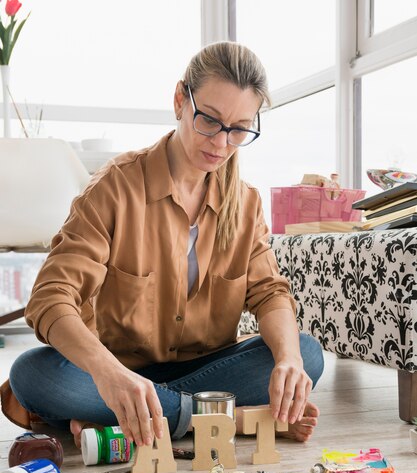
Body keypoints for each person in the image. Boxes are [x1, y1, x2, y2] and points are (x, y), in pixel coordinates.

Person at [3, 41, 324, 450]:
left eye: (239, 129)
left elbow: (269, 293)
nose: (221, 143)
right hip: (119, 373)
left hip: (203, 370)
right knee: (33, 375)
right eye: (209, 120)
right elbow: (50, 299)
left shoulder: (245, 203)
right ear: (179, 100)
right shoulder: (115, 188)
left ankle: (136, 417)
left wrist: (289, 361)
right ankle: (230, 420)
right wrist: (108, 374)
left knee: (307, 355)